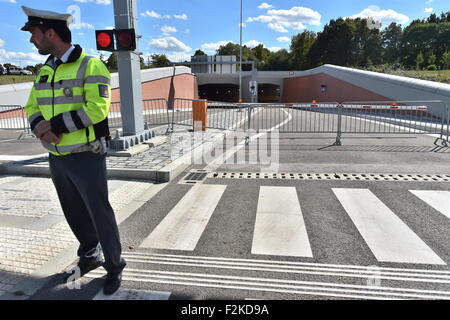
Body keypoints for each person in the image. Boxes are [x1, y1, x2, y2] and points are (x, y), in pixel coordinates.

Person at [21, 6, 126, 295]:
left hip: (85, 154)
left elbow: (97, 109)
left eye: (34, 34)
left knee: (99, 212)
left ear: (50, 32)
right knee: (73, 211)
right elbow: (31, 106)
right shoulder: (46, 69)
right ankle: (90, 254)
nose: (32, 41)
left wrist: (55, 126)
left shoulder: (91, 66)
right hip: (57, 157)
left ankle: (115, 266)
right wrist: (41, 128)